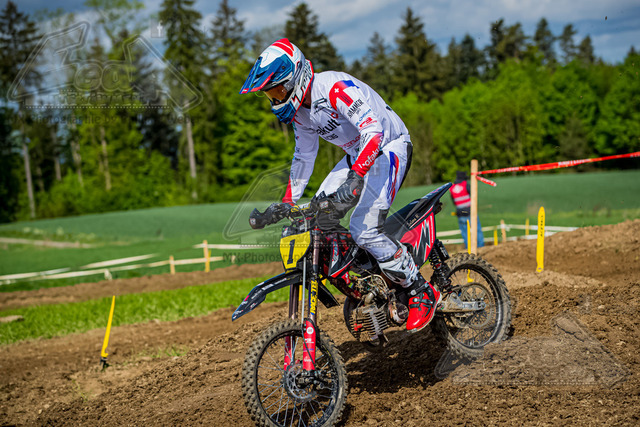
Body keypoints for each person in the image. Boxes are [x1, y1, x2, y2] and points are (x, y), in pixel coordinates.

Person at [240, 38, 440, 332]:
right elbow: (304, 155)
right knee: (315, 219)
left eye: (277, 90)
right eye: (270, 94)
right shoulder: (301, 112)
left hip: (389, 146)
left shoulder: (334, 88)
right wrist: (287, 203)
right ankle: (370, 284)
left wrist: (356, 175)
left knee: (364, 228)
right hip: (357, 156)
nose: (275, 99)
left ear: (296, 78)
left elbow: (373, 131)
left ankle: (419, 289)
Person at [450, 171, 485, 249]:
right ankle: (480, 247)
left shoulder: (452, 188)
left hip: (460, 212)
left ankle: (468, 247)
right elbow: (473, 196)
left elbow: (454, 202)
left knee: (465, 232)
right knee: (477, 229)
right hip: (470, 211)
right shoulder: (466, 185)